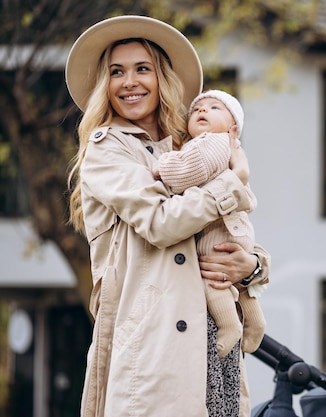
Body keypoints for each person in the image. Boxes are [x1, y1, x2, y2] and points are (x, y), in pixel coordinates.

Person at [65, 15, 269, 417]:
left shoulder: (187, 146)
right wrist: (235, 181)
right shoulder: (108, 150)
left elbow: (229, 228)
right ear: (104, 85)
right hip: (154, 352)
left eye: (143, 69)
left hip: (211, 342)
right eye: (116, 72)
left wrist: (251, 266)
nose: (130, 82)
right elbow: (161, 224)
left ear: (162, 78)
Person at [152, 89, 267, 358]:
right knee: (236, 282)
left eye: (215, 108)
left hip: (216, 231)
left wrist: (162, 166)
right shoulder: (225, 149)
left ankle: (229, 326)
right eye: (197, 109)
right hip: (235, 230)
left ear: (233, 128)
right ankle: (256, 322)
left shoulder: (212, 143)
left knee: (210, 279)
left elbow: (187, 172)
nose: (203, 111)